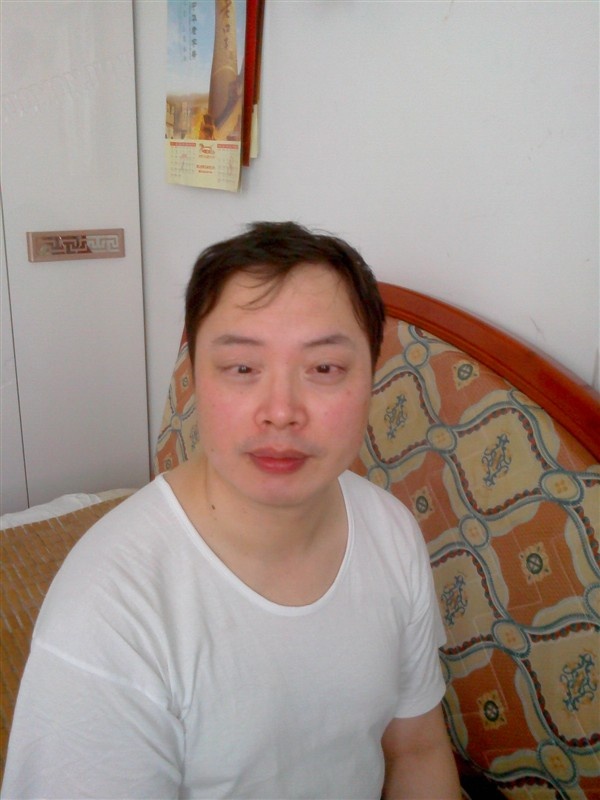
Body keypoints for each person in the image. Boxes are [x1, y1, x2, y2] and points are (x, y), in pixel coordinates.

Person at [2, 222, 461, 800]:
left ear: (372, 377)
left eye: (324, 368)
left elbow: (416, 748)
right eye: (242, 367)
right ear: (193, 378)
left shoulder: (390, 531)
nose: (281, 411)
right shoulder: (106, 616)